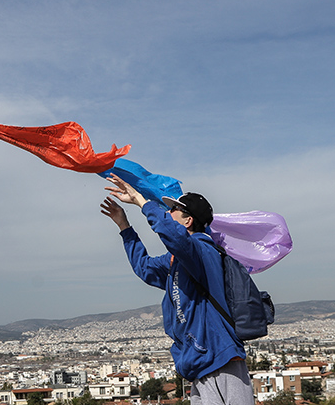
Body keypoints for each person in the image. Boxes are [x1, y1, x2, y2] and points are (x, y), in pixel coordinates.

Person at [100, 174, 254, 405]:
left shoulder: (203, 252)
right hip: (198, 361)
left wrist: (142, 202)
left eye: (173, 211)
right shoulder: (179, 260)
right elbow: (145, 269)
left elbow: (174, 237)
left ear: (188, 221)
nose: (167, 214)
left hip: (219, 356)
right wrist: (124, 226)